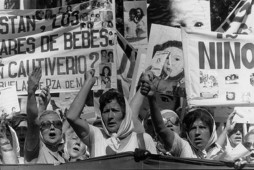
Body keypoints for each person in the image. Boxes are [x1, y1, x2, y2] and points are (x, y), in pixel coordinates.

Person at [66, 70, 157, 158]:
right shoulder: (96, 136)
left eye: (115, 110)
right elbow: (72, 116)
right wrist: (88, 82)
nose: (110, 117)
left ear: (125, 114)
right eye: (105, 112)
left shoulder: (143, 140)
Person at [140, 70, 222, 159]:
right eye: (193, 128)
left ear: (212, 131)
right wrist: (152, 98)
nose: (197, 133)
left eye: (202, 127)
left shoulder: (221, 155)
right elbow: (161, 129)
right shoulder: (184, 147)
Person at [25, 67, 65, 164]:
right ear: (40, 131)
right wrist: (31, 93)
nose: (52, 127)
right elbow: (33, 123)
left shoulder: (65, 157)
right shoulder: (35, 152)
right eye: (46, 124)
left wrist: (43, 106)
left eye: (57, 124)